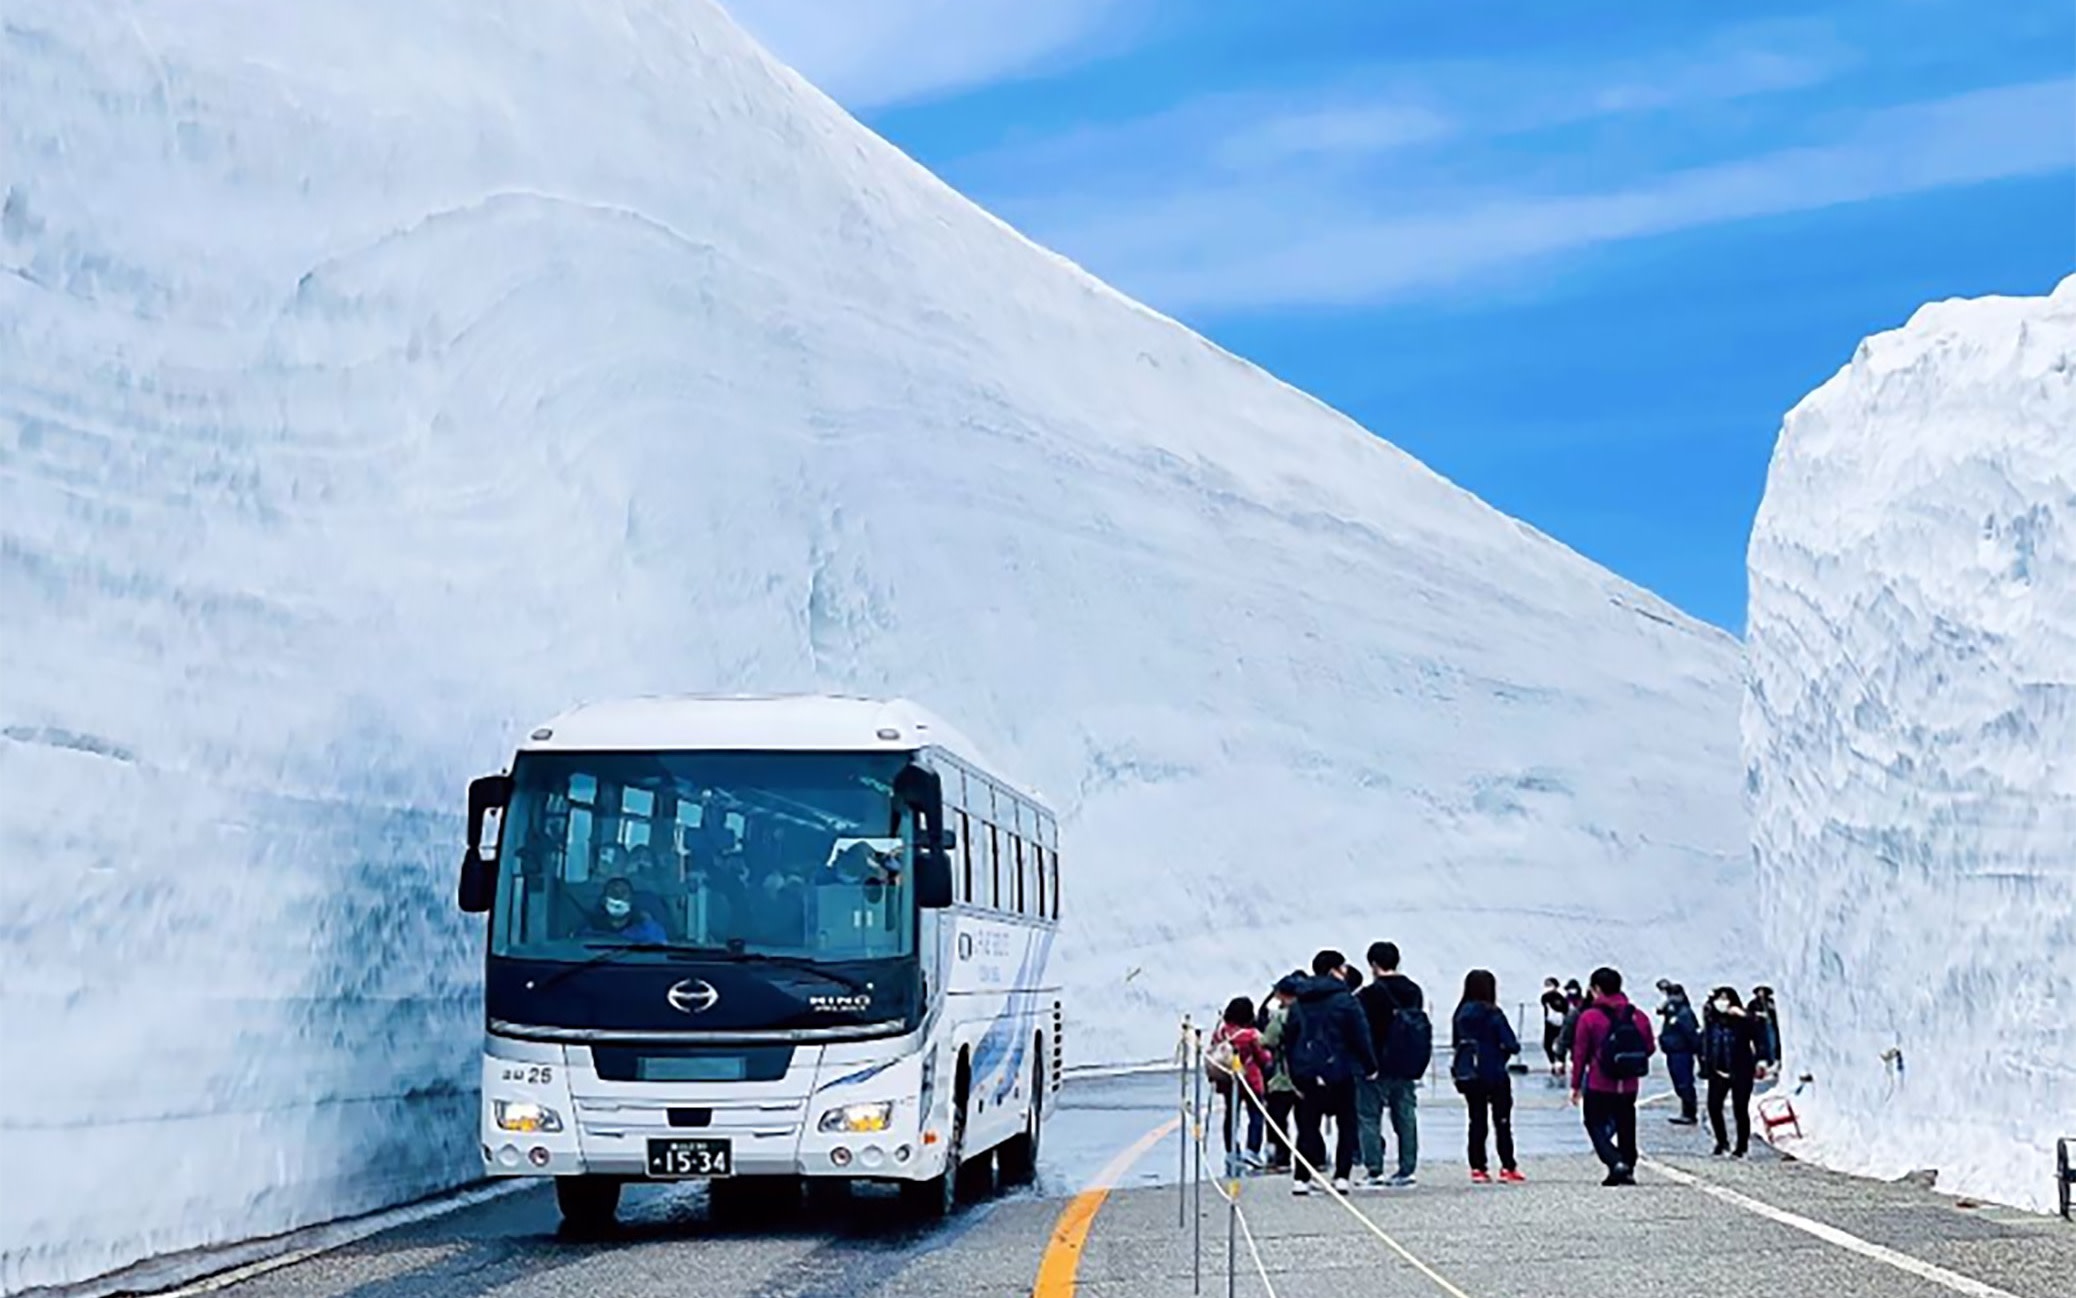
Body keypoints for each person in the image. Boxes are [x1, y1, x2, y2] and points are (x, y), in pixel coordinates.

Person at [1279, 951, 1377, 1195]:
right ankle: (1341, 1176)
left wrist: (1294, 1073)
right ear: (1334, 970)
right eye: (1343, 967)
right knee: (1347, 1122)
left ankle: (1301, 1178)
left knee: (1308, 1124)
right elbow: (1360, 1035)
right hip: (1340, 1068)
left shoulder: (1300, 1001)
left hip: (1307, 1070)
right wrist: (1370, 1065)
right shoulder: (1346, 1000)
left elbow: (1289, 1039)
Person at [1570, 966, 1656, 1186]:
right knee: (1626, 1122)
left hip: (1600, 1081)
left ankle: (1614, 1160)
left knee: (1594, 1122)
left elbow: (1580, 1053)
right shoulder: (1637, 1016)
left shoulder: (1590, 1017)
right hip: (1629, 1083)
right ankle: (1628, 1167)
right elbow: (1649, 1047)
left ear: (1597, 989)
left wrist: (1576, 1084)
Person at [1355, 941, 1427, 1188]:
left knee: (1369, 1117)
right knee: (1406, 1116)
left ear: (1373, 964)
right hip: (1406, 1062)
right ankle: (1407, 1169)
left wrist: (1366, 1062)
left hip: (1375, 1064)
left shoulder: (1367, 995)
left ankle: (1374, 1170)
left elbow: (1362, 1032)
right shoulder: (1414, 991)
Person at [1450, 969, 1524, 1184]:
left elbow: (1457, 1044)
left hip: (1469, 1074)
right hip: (1494, 1072)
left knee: (1476, 1120)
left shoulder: (1460, 1014)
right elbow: (1511, 1044)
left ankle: (1478, 1167)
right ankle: (1507, 1166)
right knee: (1502, 1122)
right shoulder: (1493, 1013)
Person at [1210, 997, 1272, 1167]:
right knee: (1256, 1115)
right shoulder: (1251, 1035)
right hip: (1251, 1080)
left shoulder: (1220, 1033)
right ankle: (1252, 1150)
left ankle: (1231, 1149)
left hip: (1228, 1080)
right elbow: (1263, 1057)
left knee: (1231, 1115)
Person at [1703, 987, 1760, 1157]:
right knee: (1714, 1107)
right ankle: (1721, 1141)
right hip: (1718, 1071)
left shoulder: (1742, 1021)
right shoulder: (1712, 1020)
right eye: (1719, 998)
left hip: (1741, 1071)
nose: (1722, 1002)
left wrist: (1745, 1016)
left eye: (1726, 998)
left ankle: (1742, 1146)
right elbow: (1707, 1042)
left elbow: (1758, 1033)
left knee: (1740, 1109)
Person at [1259, 979, 1303, 1172]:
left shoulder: (1280, 1016)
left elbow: (1267, 1041)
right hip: (1306, 1074)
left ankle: (1281, 1158)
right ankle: (1313, 1157)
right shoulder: (1309, 1012)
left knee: (1277, 1120)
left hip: (1283, 1076)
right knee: (1307, 1121)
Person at [1656, 980, 1702, 1126]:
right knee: (1679, 1082)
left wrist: (1697, 1051)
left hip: (1682, 1052)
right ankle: (1686, 1111)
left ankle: (1689, 1113)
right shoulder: (1673, 1012)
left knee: (1684, 1083)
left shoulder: (1683, 1013)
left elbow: (1691, 1033)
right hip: (1673, 1051)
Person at [580, 877, 669, 944]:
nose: (618, 897)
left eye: (623, 892)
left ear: (631, 900)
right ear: (603, 900)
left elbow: (661, 954)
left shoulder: (648, 929)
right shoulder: (590, 930)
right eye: (613, 892)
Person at [1748, 985, 1782, 1077]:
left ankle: (1773, 1062)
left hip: (1770, 1025)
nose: (1761, 993)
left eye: (1763, 991)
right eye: (1759, 991)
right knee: (1760, 1045)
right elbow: (1749, 1015)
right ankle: (1763, 1065)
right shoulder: (1753, 1004)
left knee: (1772, 1043)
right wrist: (1758, 1015)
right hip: (1758, 1028)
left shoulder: (1771, 1002)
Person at [1539, 977, 1569, 1075]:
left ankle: (1560, 1064)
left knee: (1560, 1045)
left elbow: (1563, 1008)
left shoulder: (1560, 998)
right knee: (1547, 1044)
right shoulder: (1546, 997)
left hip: (1560, 1023)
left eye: (1549, 985)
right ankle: (1555, 1063)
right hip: (1550, 1023)